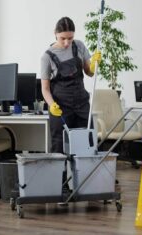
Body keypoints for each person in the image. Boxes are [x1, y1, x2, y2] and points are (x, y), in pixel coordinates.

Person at [40, 17, 101, 153]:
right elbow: (45, 89)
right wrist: (51, 105)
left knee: (87, 142)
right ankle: (59, 174)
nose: (67, 42)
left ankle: (84, 174)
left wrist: (94, 64)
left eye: (70, 38)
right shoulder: (47, 57)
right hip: (60, 107)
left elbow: (89, 73)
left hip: (81, 104)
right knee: (59, 145)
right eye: (63, 38)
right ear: (55, 33)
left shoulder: (79, 46)